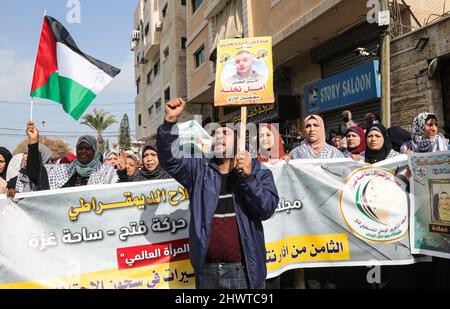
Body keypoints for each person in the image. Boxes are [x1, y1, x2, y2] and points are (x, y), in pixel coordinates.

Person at [157, 98, 279, 289]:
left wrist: (248, 178)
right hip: (207, 273)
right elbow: (169, 160)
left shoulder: (257, 171)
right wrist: (169, 123)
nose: (219, 136)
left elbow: (266, 209)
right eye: (215, 134)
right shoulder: (198, 170)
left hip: (244, 272)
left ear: (239, 142)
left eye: (226, 133)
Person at [26, 122, 118, 190]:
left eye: (87, 148)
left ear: (95, 152)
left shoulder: (106, 173)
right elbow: (36, 174)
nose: (83, 151)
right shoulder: (62, 171)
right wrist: (33, 141)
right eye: (80, 148)